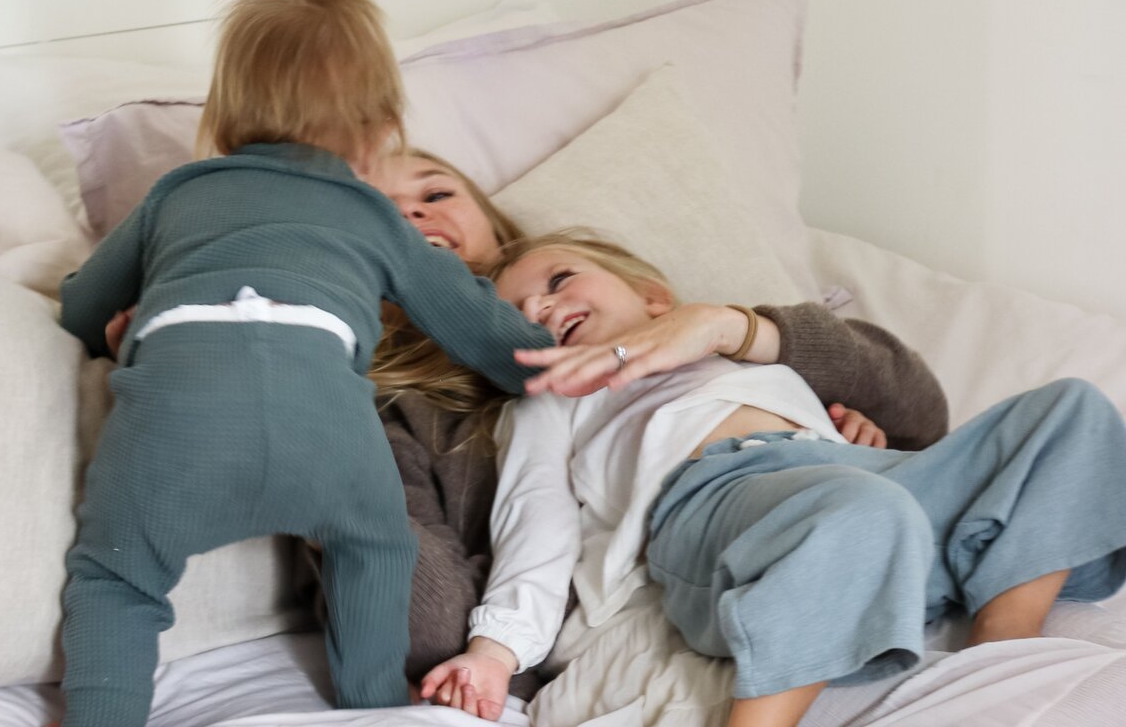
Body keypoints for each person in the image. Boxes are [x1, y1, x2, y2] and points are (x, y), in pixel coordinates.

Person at [103, 148, 951, 701]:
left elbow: (922, 411)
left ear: (500, 233)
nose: (415, 220)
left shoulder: (624, 315)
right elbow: (426, 628)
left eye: (435, 193)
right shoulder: (389, 406)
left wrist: (771, 378)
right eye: (373, 221)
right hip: (631, 619)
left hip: (802, 532)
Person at [52, 0, 553, 727]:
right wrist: (559, 359)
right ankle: (373, 704)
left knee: (115, 582)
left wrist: (117, 328)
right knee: (375, 553)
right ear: (382, 125)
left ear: (224, 116)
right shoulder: (372, 214)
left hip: (176, 431)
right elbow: (482, 330)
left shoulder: (176, 195)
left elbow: (82, 308)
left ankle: (101, 716)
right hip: (325, 431)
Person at [420, 231, 1126, 726]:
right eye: (516, 316)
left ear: (654, 297)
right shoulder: (556, 401)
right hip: (711, 507)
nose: (541, 306)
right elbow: (534, 524)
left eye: (559, 279)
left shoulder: (744, 353)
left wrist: (842, 435)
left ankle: (1001, 649)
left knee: (1070, 411)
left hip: (849, 479)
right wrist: (493, 652)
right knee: (861, 509)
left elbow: (902, 403)